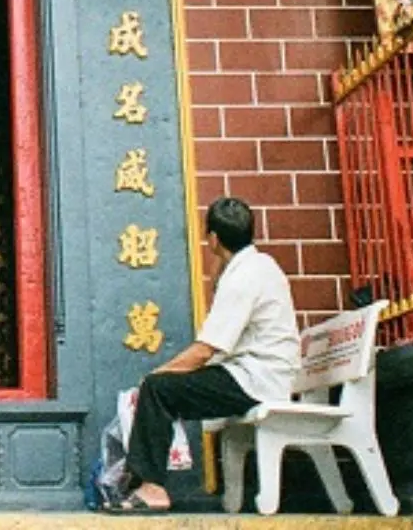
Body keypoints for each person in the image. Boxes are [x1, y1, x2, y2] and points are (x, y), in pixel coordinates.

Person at [111, 196, 299, 514]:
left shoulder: (241, 279)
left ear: (212, 239)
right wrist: (219, 262)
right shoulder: (260, 265)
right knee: (163, 388)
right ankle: (140, 484)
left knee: (159, 390)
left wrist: (156, 375)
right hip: (264, 374)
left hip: (255, 379)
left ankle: (152, 488)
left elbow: (205, 351)